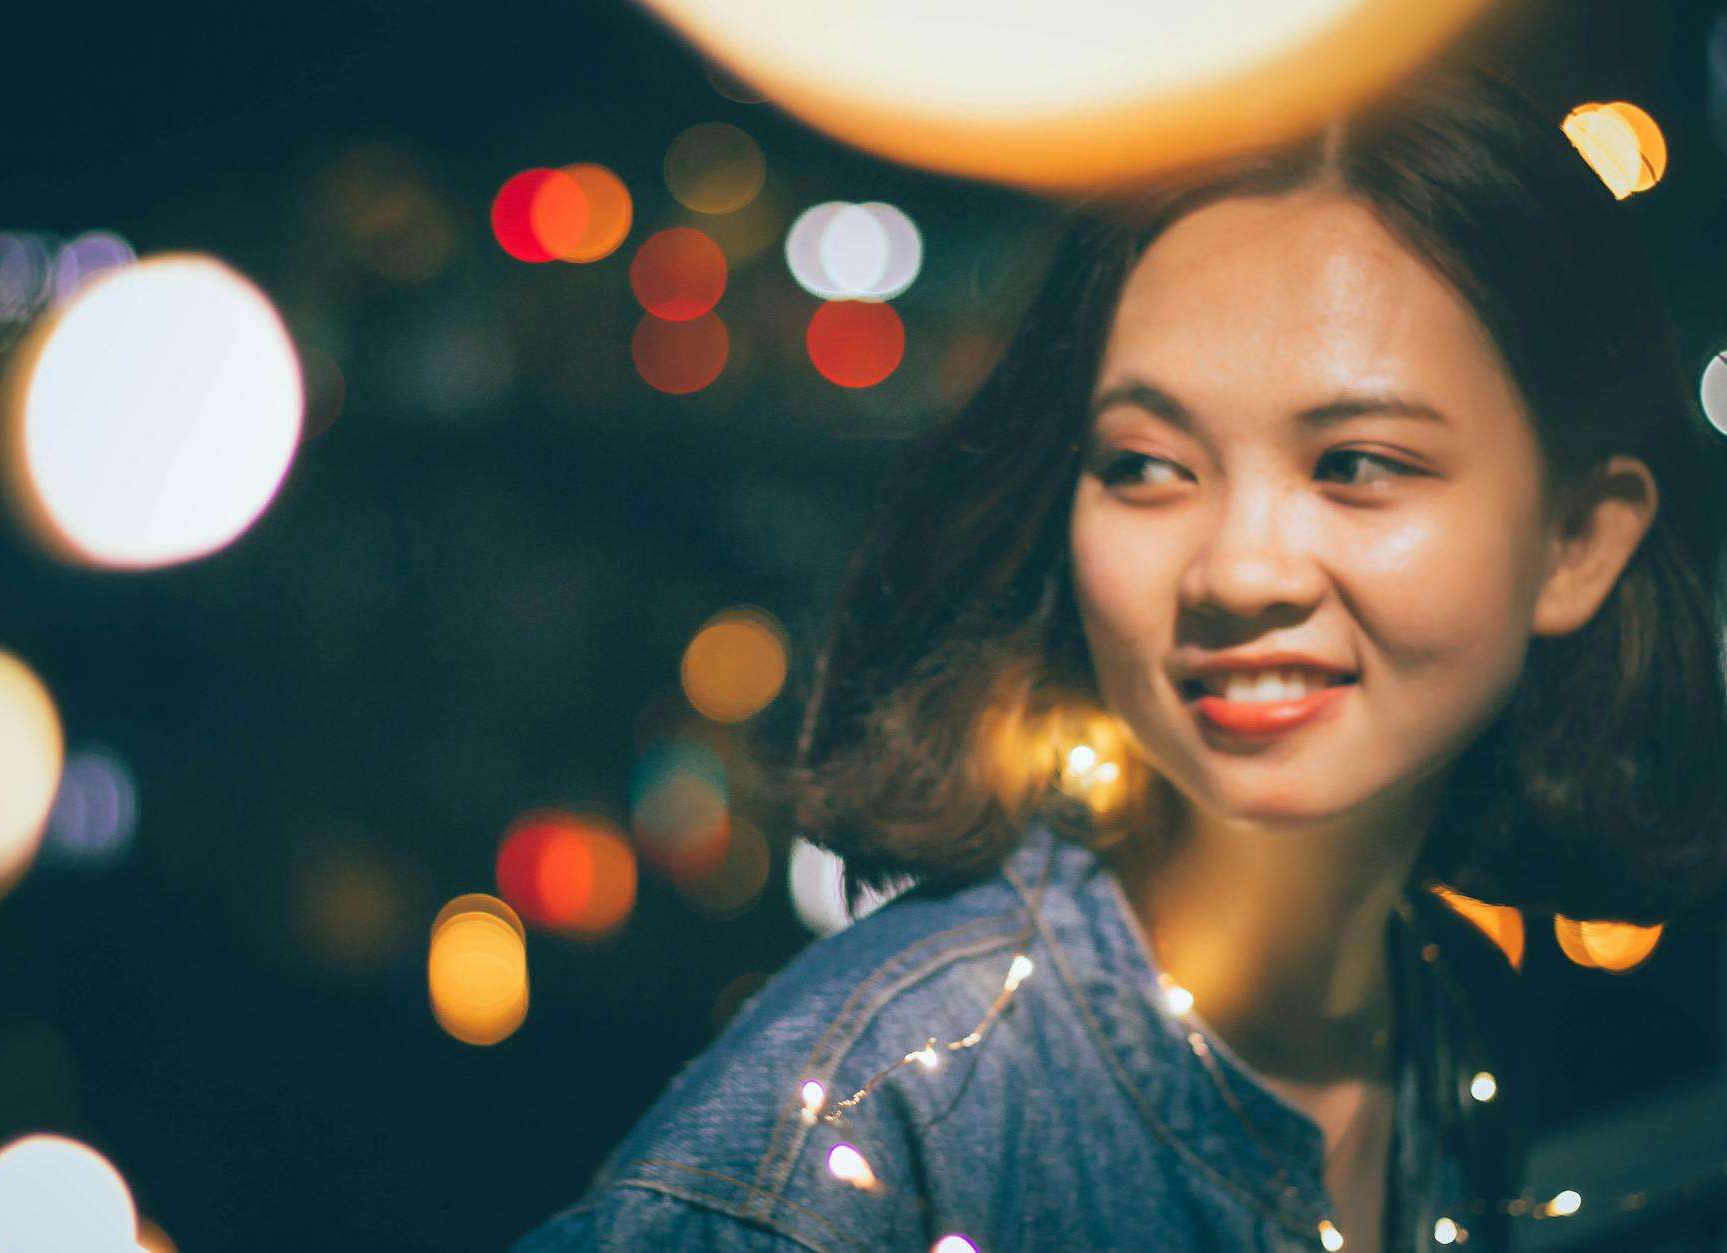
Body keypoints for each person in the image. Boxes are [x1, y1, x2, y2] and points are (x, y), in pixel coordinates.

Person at [515, 61, 1727, 1252]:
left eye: (1355, 464)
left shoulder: (1446, 1022)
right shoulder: (874, 1138)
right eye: (1144, 464)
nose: (1237, 572)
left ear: (1575, 539)